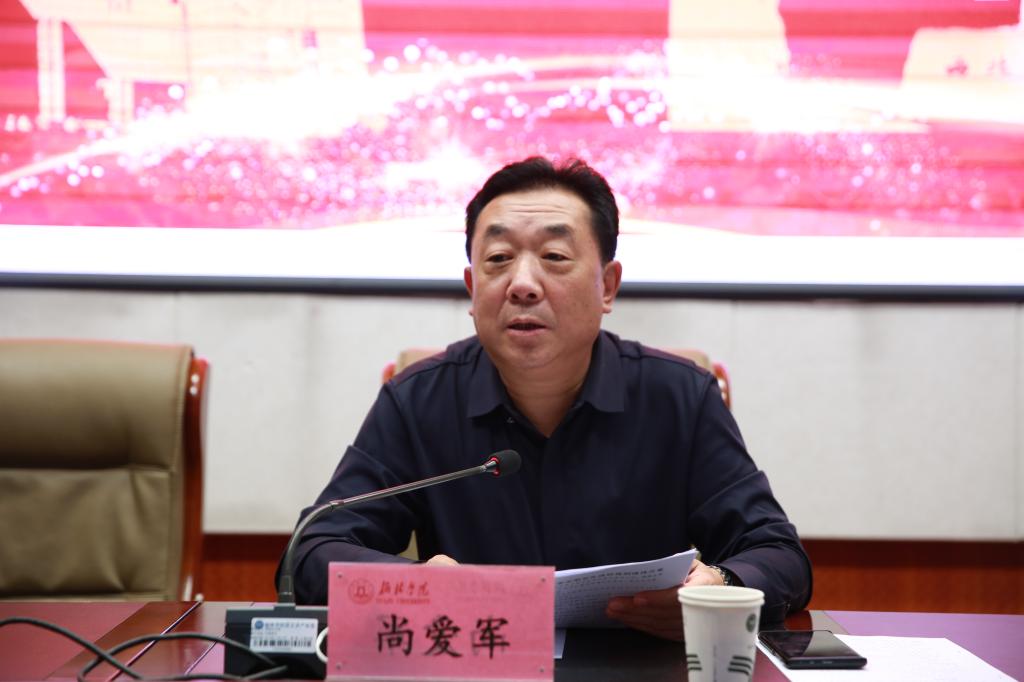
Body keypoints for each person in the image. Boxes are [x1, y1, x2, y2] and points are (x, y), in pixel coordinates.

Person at [282, 156, 812, 640]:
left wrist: (718, 589)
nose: (522, 284)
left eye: (555, 256)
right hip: (481, 666)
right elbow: (312, 552)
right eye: (498, 259)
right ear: (472, 288)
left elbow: (778, 554)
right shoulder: (419, 400)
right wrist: (418, 585)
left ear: (608, 286)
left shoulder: (679, 398)